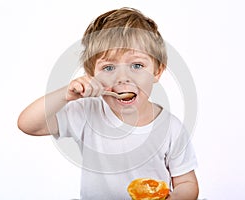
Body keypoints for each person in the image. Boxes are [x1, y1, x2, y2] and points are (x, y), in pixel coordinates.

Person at [18, 7, 199, 200]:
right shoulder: (86, 112)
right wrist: (66, 94)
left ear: (157, 71)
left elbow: (186, 184)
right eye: (109, 67)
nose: (123, 77)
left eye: (137, 65)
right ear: (92, 76)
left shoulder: (171, 128)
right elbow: (28, 124)